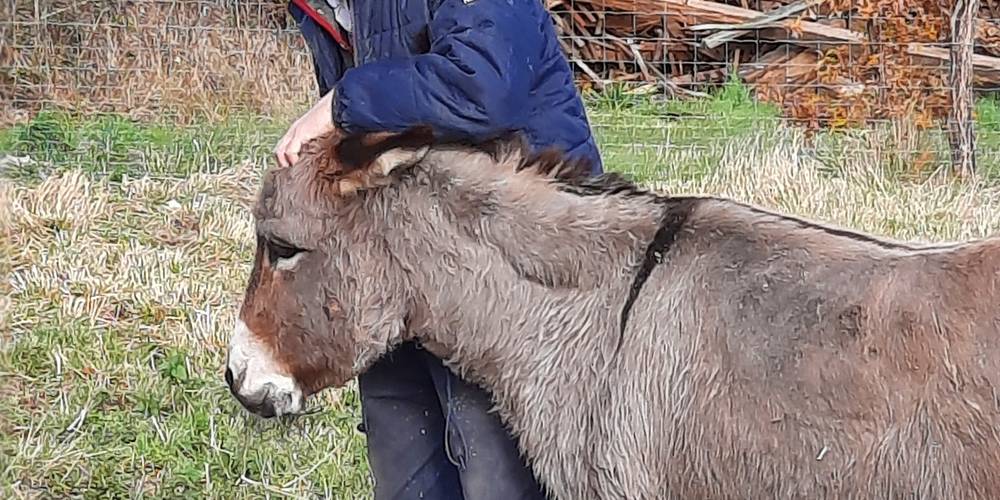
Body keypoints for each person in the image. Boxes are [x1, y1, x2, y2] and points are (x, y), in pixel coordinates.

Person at [277, 0, 604, 498]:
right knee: (406, 462)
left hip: (513, 267)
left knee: (498, 471)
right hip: (403, 257)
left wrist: (341, 103)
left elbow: (484, 85)